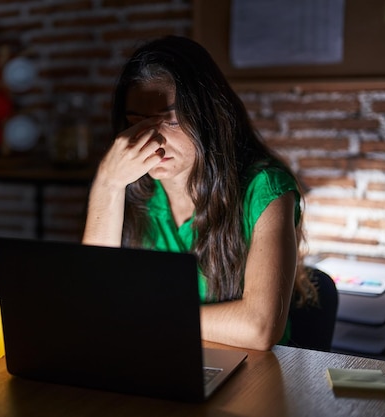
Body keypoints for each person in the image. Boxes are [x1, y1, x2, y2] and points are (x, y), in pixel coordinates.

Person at [82, 35, 317, 351]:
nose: (153, 141)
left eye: (171, 121)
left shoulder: (264, 187)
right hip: (160, 356)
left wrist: (143, 315)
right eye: (136, 123)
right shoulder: (132, 189)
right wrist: (106, 185)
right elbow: (93, 303)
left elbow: (258, 328)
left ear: (206, 116)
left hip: (250, 374)